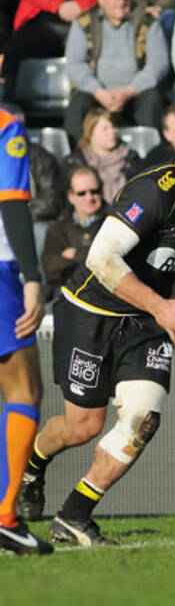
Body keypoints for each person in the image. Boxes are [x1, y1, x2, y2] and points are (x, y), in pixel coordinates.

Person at [18, 118, 175, 547]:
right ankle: (34, 462)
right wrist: (161, 305)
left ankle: (74, 516)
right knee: (82, 426)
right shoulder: (152, 190)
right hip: (91, 314)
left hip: (144, 324)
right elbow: (101, 260)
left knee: (143, 420)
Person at [0, 106, 52, 555]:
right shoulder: (5, 124)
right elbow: (12, 202)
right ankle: (5, 517)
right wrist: (31, 276)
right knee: (23, 390)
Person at [63, 0, 169, 142]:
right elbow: (75, 64)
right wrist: (99, 92)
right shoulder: (83, 22)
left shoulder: (147, 21)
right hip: (97, 94)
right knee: (79, 102)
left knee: (153, 99)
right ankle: (75, 160)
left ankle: (152, 158)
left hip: (135, 93)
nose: (122, 1)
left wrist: (129, 91)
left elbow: (158, 64)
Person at [3, 0, 123, 89]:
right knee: (16, 53)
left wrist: (81, 5)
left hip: (87, 15)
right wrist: (58, 5)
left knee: (103, 56)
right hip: (40, 12)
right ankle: (10, 104)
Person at [40, 166, 105, 302]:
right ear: (71, 196)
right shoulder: (58, 227)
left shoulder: (113, 221)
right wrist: (88, 255)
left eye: (94, 191)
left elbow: (108, 259)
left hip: (104, 295)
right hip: (67, 295)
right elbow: (49, 266)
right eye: (82, 193)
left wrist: (74, 254)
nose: (90, 197)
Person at [64, 108, 142, 204]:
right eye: (105, 128)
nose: (112, 132)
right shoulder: (75, 162)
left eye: (113, 127)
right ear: (90, 133)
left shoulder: (131, 158)